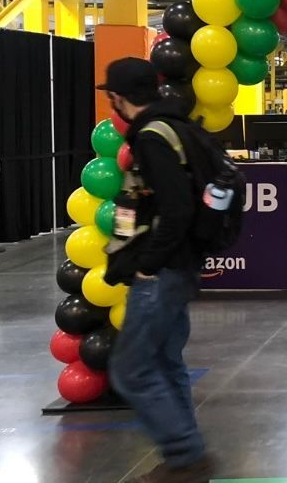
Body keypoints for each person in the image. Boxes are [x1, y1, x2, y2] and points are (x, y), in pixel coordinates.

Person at [99, 57, 212, 483]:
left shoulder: (152, 136)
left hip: (162, 272)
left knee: (131, 368)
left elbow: (176, 208)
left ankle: (185, 455)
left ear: (118, 97)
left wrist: (147, 265)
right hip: (178, 267)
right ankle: (186, 454)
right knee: (166, 362)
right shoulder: (176, 127)